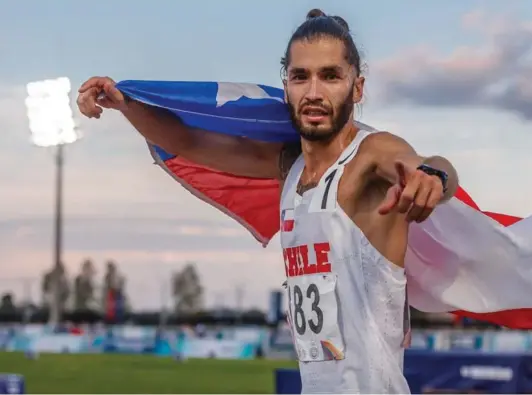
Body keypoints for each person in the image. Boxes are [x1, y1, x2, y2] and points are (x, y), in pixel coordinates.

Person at [77, 8, 459, 394]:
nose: (313, 92)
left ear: (357, 88)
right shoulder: (289, 167)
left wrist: (432, 178)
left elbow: (424, 165)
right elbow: (188, 143)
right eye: (300, 77)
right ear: (286, 84)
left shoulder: (369, 156)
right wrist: (126, 103)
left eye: (330, 76)